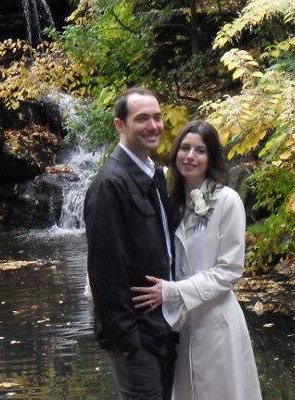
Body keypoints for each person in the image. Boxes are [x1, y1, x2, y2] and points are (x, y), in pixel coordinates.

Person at [132, 121, 262, 400]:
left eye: (200, 150)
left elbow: (229, 271)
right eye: (185, 148)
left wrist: (172, 291)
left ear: (211, 158)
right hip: (183, 325)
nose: (190, 156)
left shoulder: (228, 201)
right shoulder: (173, 202)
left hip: (217, 323)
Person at [84, 88, 175, 400]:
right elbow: (104, 272)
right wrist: (128, 342)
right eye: (142, 119)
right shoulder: (110, 184)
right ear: (120, 125)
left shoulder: (153, 174)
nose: (153, 125)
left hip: (163, 327)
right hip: (138, 338)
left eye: (157, 117)